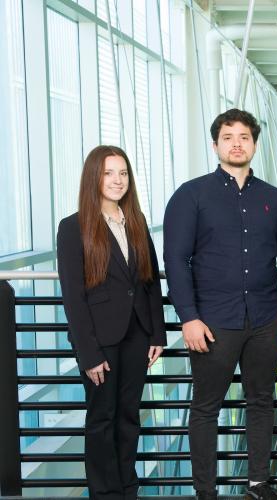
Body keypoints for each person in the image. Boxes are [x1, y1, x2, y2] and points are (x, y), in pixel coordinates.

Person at [163, 109, 277, 500]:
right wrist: (188, 318)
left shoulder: (274, 200)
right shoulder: (190, 196)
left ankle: (259, 483)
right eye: (229, 136)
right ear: (216, 145)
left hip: (266, 318)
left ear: (255, 145)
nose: (237, 142)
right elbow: (176, 260)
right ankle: (205, 491)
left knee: (261, 400)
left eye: (244, 136)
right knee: (206, 406)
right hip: (212, 322)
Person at [57, 145, 166, 500]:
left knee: (129, 417)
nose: (117, 180)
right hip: (100, 340)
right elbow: (73, 297)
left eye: (123, 173)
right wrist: (88, 353)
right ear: (94, 178)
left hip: (137, 335)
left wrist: (158, 333)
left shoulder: (135, 221)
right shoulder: (73, 227)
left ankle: (127, 489)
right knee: (102, 419)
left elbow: (150, 282)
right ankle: (105, 493)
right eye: (108, 173)